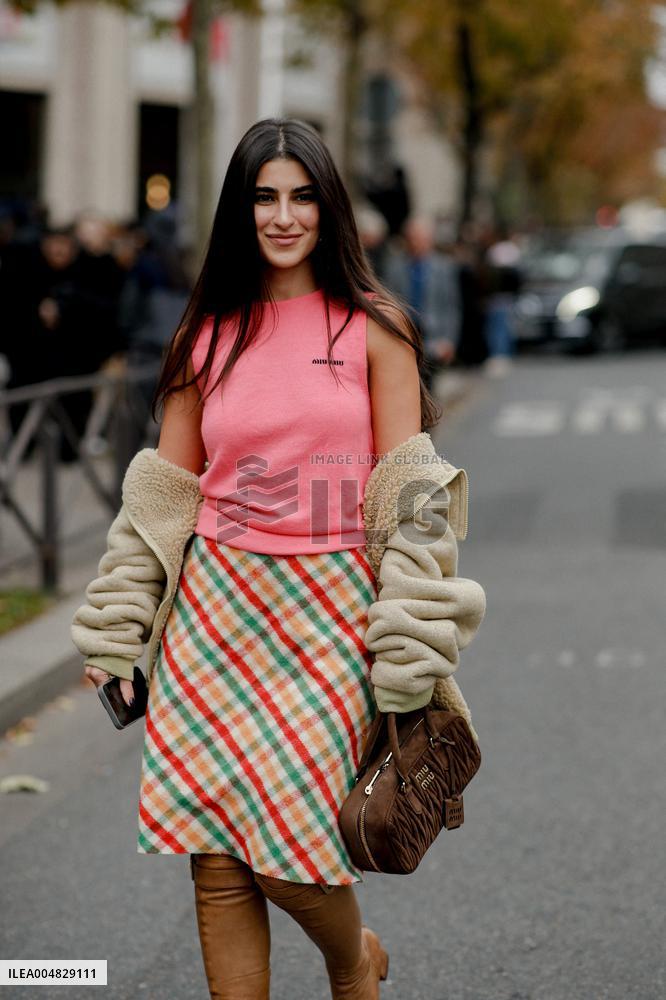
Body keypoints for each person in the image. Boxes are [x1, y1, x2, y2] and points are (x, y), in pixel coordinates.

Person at [72, 118, 485, 999]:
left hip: (327, 616)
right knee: (218, 854)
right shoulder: (206, 335)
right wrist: (118, 626)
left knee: (293, 853)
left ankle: (353, 962)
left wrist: (408, 626)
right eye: (265, 196)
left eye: (302, 196)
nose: (283, 215)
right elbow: (163, 496)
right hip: (213, 617)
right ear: (240, 209)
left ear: (327, 207)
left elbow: (410, 491)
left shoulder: (377, 328)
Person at [384, 215, 462, 392]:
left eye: (421, 238)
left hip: (433, 337)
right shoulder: (395, 267)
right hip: (405, 335)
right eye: (413, 238)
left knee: (429, 389)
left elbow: (451, 306)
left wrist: (449, 340)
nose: (417, 243)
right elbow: (388, 304)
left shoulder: (444, 267)